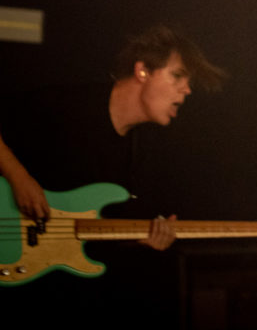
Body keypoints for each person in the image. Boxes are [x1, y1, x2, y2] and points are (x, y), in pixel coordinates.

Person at [0, 23, 226, 321]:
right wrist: (19, 177)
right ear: (142, 71)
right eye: (177, 76)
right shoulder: (71, 105)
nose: (186, 90)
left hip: (53, 289)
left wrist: (140, 239)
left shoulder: (139, 153)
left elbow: (90, 229)